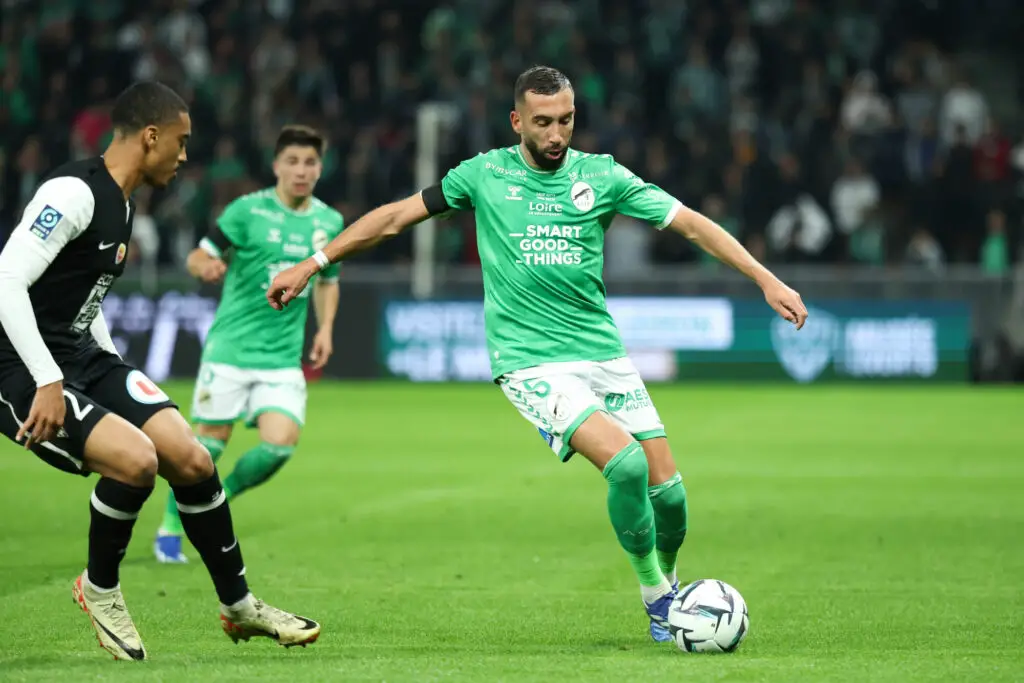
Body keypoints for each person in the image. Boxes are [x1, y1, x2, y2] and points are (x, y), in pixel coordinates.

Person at [270, 66, 809, 642]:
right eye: (544, 122)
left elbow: (693, 226)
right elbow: (395, 218)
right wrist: (314, 263)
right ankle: (657, 598)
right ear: (517, 121)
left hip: (601, 353)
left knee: (670, 497)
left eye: (566, 121)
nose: (556, 134)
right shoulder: (483, 174)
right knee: (625, 465)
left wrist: (765, 278)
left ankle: (670, 585)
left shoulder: (602, 176)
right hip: (528, 361)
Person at [0, 81, 320, 661]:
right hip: (19, 366)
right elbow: (6, 280)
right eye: (181, 140)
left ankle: (239, 606)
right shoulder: (73, 192)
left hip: (79, 355)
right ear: (151, 136)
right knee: (137, 461)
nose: (185, 155)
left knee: (191, 457)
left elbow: (83, 297)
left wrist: (111, 364)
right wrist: (47, 378)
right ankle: (100, 589)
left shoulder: (123, 203)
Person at [154, 125, 342, 563]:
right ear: (277, 166)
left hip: (281, 358)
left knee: (279, 446)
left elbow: (328, 280)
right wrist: (205, 268)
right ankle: (171, 524)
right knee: (207, 449)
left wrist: (326, 328)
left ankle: (220, 498)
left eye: (310, 163)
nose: (301, 171)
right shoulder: (246, 211)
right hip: (231, 351)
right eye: (292, 162)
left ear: (320, 168)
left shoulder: (329, 222)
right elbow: (199, 254)